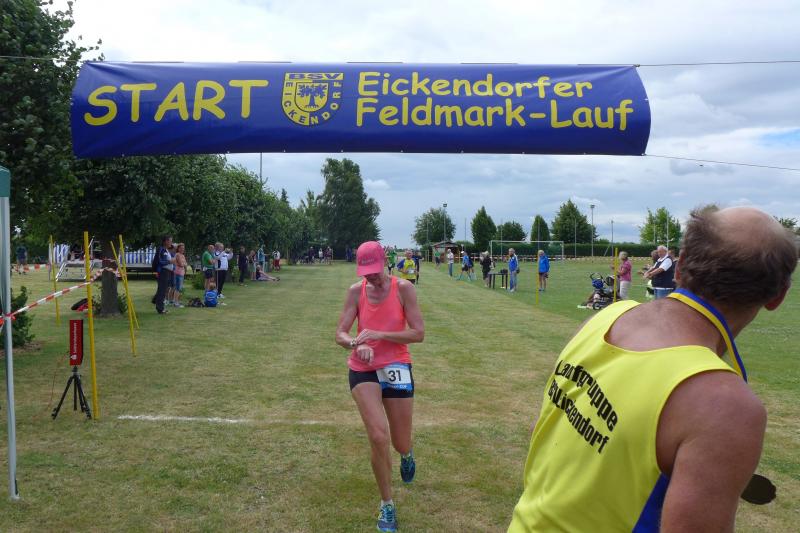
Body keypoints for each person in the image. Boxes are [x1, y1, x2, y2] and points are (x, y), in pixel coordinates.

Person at [508, 206, 797, 532]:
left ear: (680, 266)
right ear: (778, 296)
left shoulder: (607, 317)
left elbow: (545, 435)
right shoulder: (726, 405)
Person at [335, 241, 425, 533]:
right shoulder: (355, 292)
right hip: (363, 369)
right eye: (366, 272)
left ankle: (407, 455)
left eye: (374, 270)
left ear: (384, 262)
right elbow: (340, 333)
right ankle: (387, 504)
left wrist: (380, 335)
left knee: (400, 442)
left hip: (396, 366)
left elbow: (418, 333)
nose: (371, 277)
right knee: (377, 435)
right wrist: (355, 343)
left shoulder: (404, 289)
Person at [153, 235, 175, 315]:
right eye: (170, 241)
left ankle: (156, 301)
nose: (171, 243)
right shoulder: (161, 249)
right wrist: (169, 262)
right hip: (163, 272)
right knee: (162, 290)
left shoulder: (166, 250)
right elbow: (159, 261)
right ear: (165, 241)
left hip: (167, 272)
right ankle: (160, 309)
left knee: (163, 289)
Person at [173, 243, 187, 308]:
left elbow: (185, 263)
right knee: (178, 288)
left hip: (182, 273)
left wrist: (184, 264)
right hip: (178, 273)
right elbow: (181, 264)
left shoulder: (182, 255)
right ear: (178, 249)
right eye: (181, 248)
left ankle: (177, 301)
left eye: (183, 248)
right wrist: (184, 264)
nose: (182, 249)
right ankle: (176, 303)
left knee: (179, 288)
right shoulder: (177, 255)